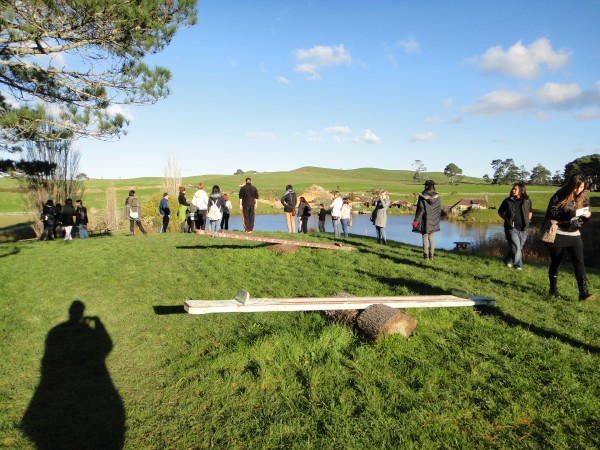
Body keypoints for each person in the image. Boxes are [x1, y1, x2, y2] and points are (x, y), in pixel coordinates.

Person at [544, 174, 595, 301]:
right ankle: (553, 290)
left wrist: (587, 217)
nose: (579, 190)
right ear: (571, 185)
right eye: (576, 187)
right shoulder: (560, 195)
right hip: (559, 233)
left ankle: (583, 293)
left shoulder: (584, 198)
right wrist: (570, 213)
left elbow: (582, 219)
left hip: (575, 235)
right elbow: (551, 213)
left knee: (579, 262)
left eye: (582, 187)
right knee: (556, 262)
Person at [498, 182, 532, 270]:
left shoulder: (527, 201)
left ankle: (507, 260)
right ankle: (518, 265)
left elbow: (530, 212)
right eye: (513, 188)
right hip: (511, 228)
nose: (513, 190)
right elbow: (500, 212)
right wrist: (506, 219)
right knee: (516, 247)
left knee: (517, 247)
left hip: (524, 228)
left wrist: (529, 220)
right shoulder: (507, 201)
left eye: (515, 189)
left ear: (521, 190)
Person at [412, 180, 441, 259]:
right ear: (433, 186)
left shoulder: (422, 196)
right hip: (434, 220)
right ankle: (431, 255)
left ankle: (426, 256)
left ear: (426, 186)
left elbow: (421, 210)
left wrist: (416, 221)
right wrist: (437, 219)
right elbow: (439, 209)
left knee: (425, 237)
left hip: (425, 220)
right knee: (431, 238)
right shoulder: (437, 196)